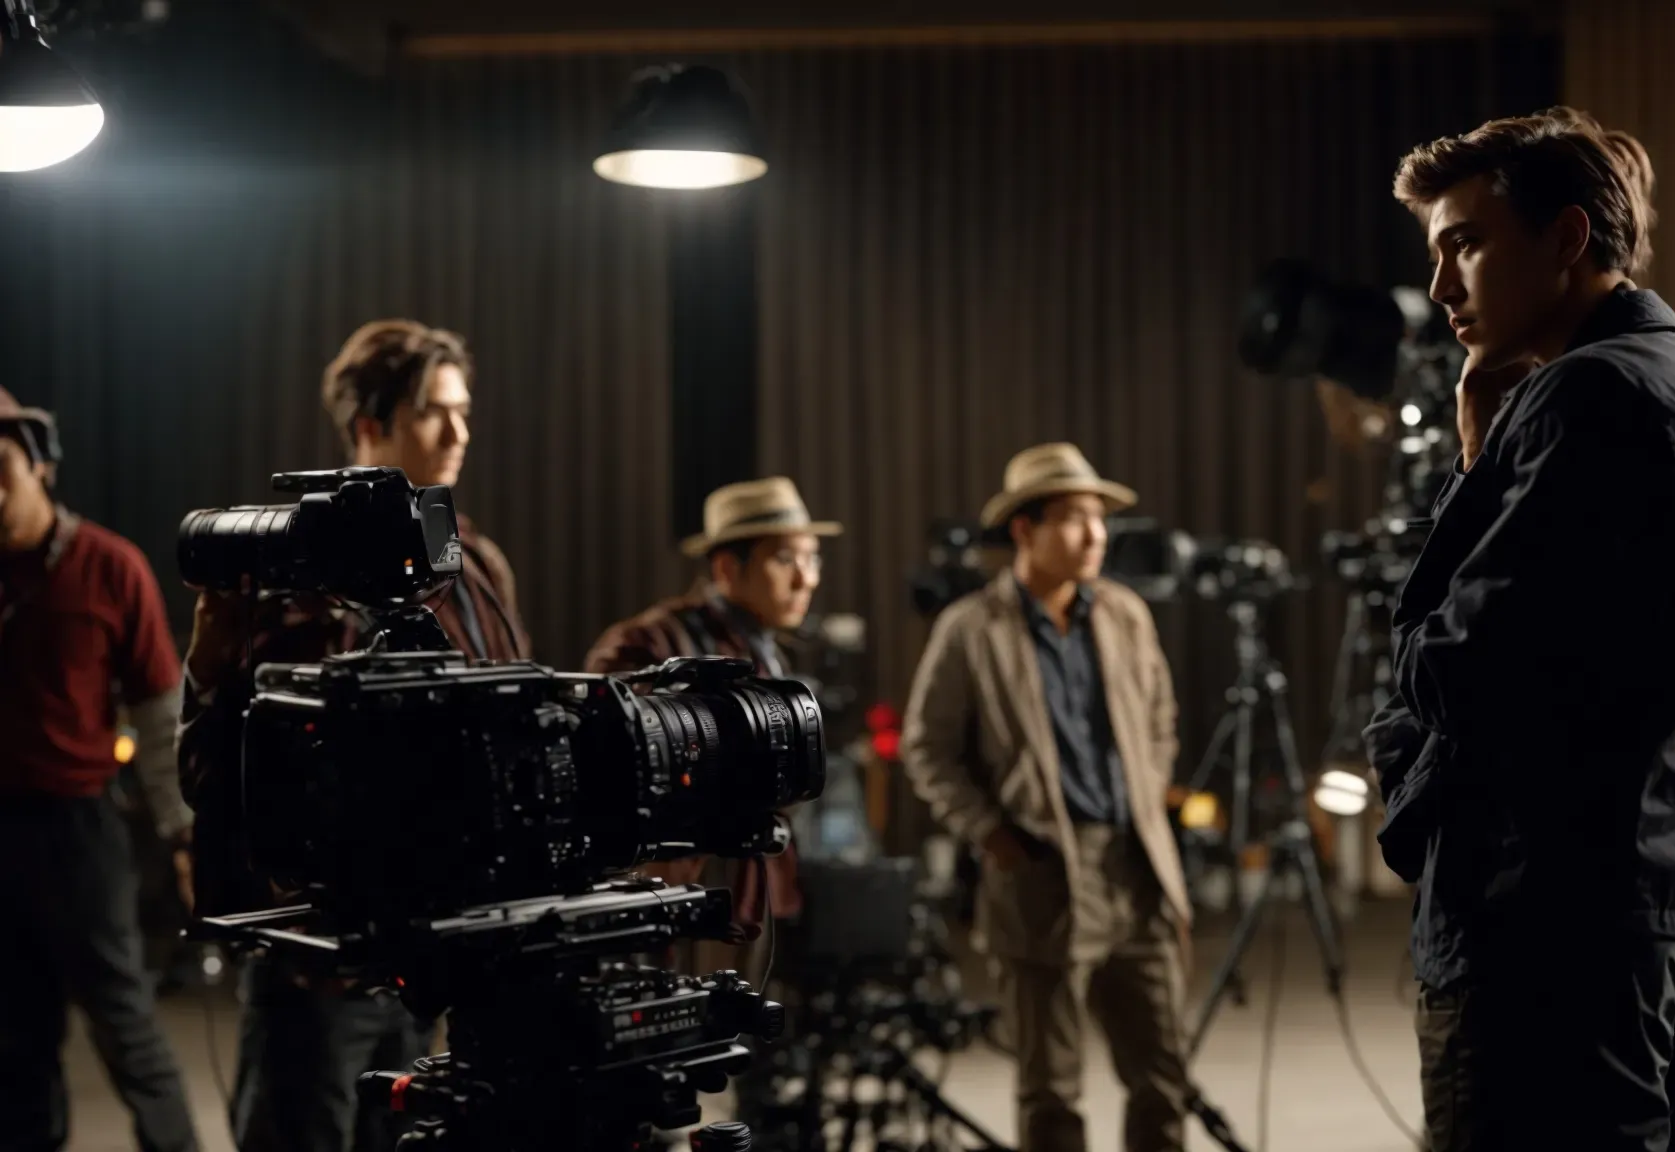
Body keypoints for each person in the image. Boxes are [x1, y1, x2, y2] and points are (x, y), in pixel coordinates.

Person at [1363, 108, 1675, 1151]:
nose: (1438, 290)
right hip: (1649, 912)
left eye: (1463, 243)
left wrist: (1471, 476)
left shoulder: (1587, 399)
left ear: (1565, 240)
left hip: (1536, 933)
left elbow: (1454, 672)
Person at [178, 319, 529, 1152]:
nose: (459, 433)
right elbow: (231, 772)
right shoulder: (297, 567)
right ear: (371, 425)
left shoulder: (473, 563)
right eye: (433, 413)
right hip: (315, 967)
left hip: (432, 955)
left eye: (465, 411)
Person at [902, 442, 1189, 1152]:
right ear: (1024, 531)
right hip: (1038, 868)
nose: (1094, 536)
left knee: (1163, 1079)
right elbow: (927, 747)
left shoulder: (1123, 614)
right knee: (1052, 1094)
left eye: (1099, 519)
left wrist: (1148, 799)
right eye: (1072, 519)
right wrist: (988, 831)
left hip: (1133, 865)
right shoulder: (971, 628)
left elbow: (1160, 721)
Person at [0, 389, 200, 1152]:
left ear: (40, 466)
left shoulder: (109, 566)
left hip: (77, 832)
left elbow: (158, 716)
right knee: (14, 1044)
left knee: (125, 1026)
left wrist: (185, 833)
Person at [583, 475, 842, 936]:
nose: (807, 579)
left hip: (758, 891)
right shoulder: (650, 641)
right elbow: (609, 754)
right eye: (785, 559)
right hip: (683, 893)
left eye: (812, 558)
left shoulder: (768, 648)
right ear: (727, 568)